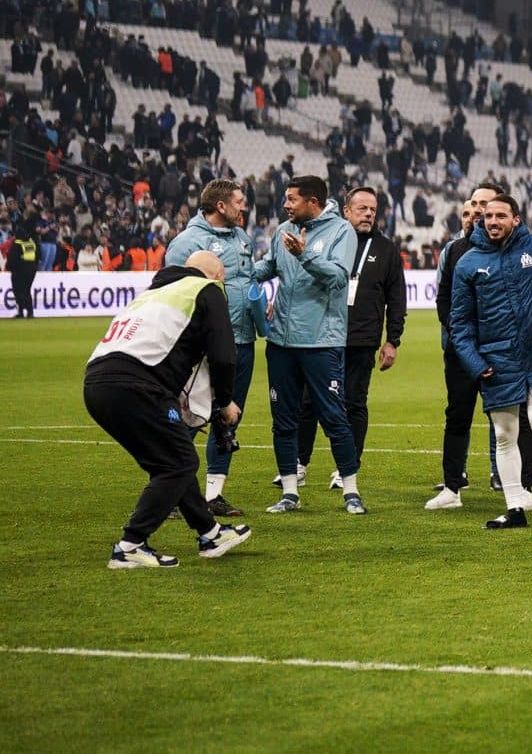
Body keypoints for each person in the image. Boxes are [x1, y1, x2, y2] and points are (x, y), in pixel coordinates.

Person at [84, 252, 251, 568]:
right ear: (215, 276)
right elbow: (224, 355)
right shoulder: (207, 289)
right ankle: (130, 544)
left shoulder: (153, 292)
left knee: (171, 459)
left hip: (96, 383)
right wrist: (224, 402)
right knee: (180, 462)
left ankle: (210, 533)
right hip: (137, 383)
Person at [448, 190, 532, 530]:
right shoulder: (468, 263)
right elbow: (459, 324)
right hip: (497, 359)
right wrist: (475, 364)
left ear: (516, 219)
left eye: (500, 216)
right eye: (488, 217)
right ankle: (514, 508)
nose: (493, 221)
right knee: (504, 433)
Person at [252, 176, 364, 516]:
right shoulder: (283, 230)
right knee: (283, 419)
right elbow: (269, 267)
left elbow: (337, 277)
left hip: (320, 341)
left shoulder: (341, 232)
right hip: (281, 342)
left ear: (312, 201)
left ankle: (351, 491)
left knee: (334, 417)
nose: (285, 205)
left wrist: (305, 256)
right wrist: (238, 272)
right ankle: (289, 492)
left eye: (291, 199)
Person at [428, 186, 531, 510]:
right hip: (462, 350)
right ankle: (452, 487)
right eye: (474, 204)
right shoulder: (456, 250)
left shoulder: (519, 251)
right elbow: (443, 298)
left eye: (485, 205)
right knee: (457, 414)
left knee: (519, 418)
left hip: (505, 352)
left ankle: (523, 486)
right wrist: (461, 335)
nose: (477, 210)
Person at [296, 184, 404, 486]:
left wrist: (392, 339)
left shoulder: (385, 249)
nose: (368, 214)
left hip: (361, 338)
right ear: (346, 211)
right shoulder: (328, 240)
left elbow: (397, 299)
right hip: (322, 335)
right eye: (362, 209)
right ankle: (298, 464)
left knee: (354, 402)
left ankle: (347, 469)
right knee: (308, 401)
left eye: (373, 209)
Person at [165, 179, 259, 518]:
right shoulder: (187, 243)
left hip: (242, 341)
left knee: (228, 417)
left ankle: (214, 494)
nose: (243, 206)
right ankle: (173, 491)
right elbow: (171, 292)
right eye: (238, 201)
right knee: (188, 417)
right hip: (202, 348)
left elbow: (246, 282)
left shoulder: (241, 238)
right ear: (221, 206)